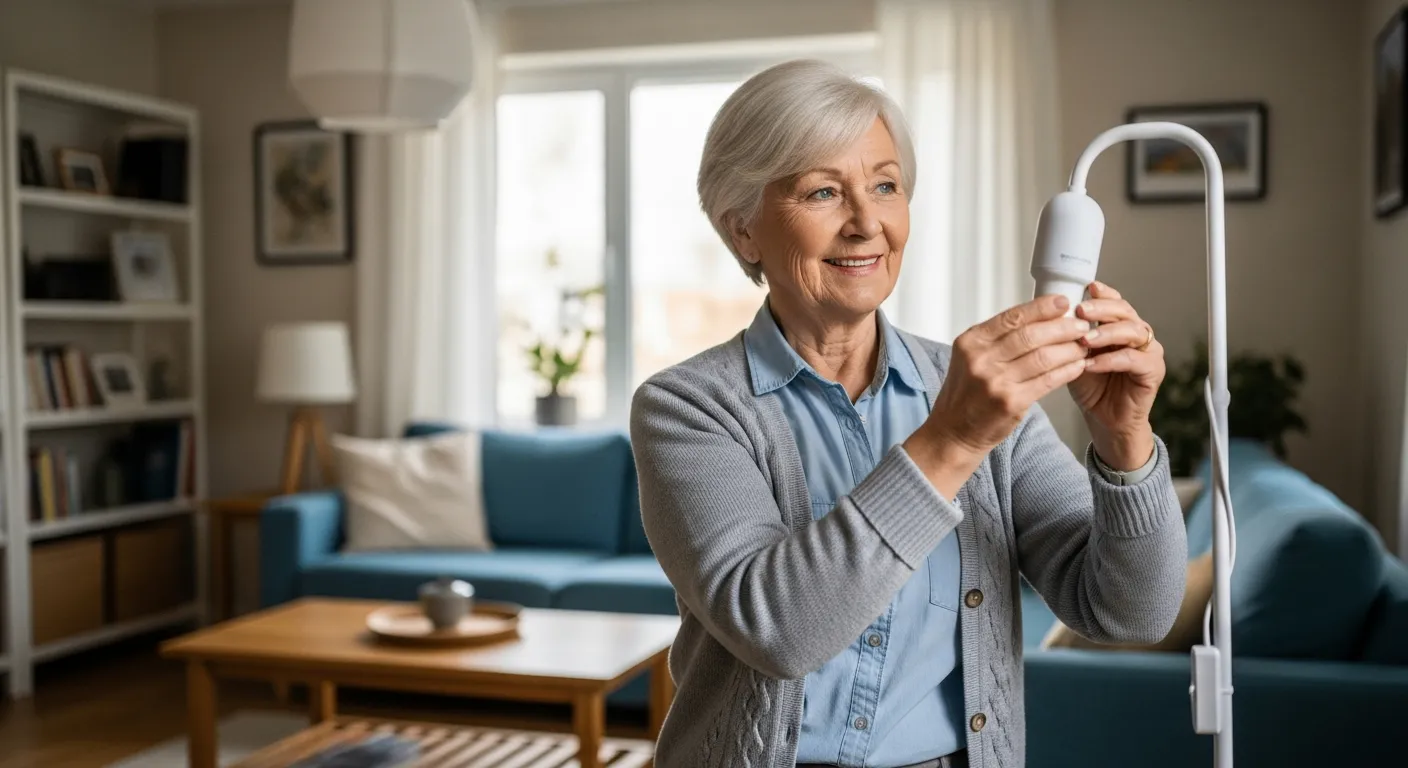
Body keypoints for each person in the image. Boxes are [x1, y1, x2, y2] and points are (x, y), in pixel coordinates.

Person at [629, 59, 1188, 768]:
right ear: (743, 231)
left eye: (886, 186)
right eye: (823, 192)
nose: (867, 224)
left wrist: (1125, 438)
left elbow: (1130, 613)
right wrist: (954, 437)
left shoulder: (977, 392)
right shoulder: (688, 408)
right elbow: (780, 632)